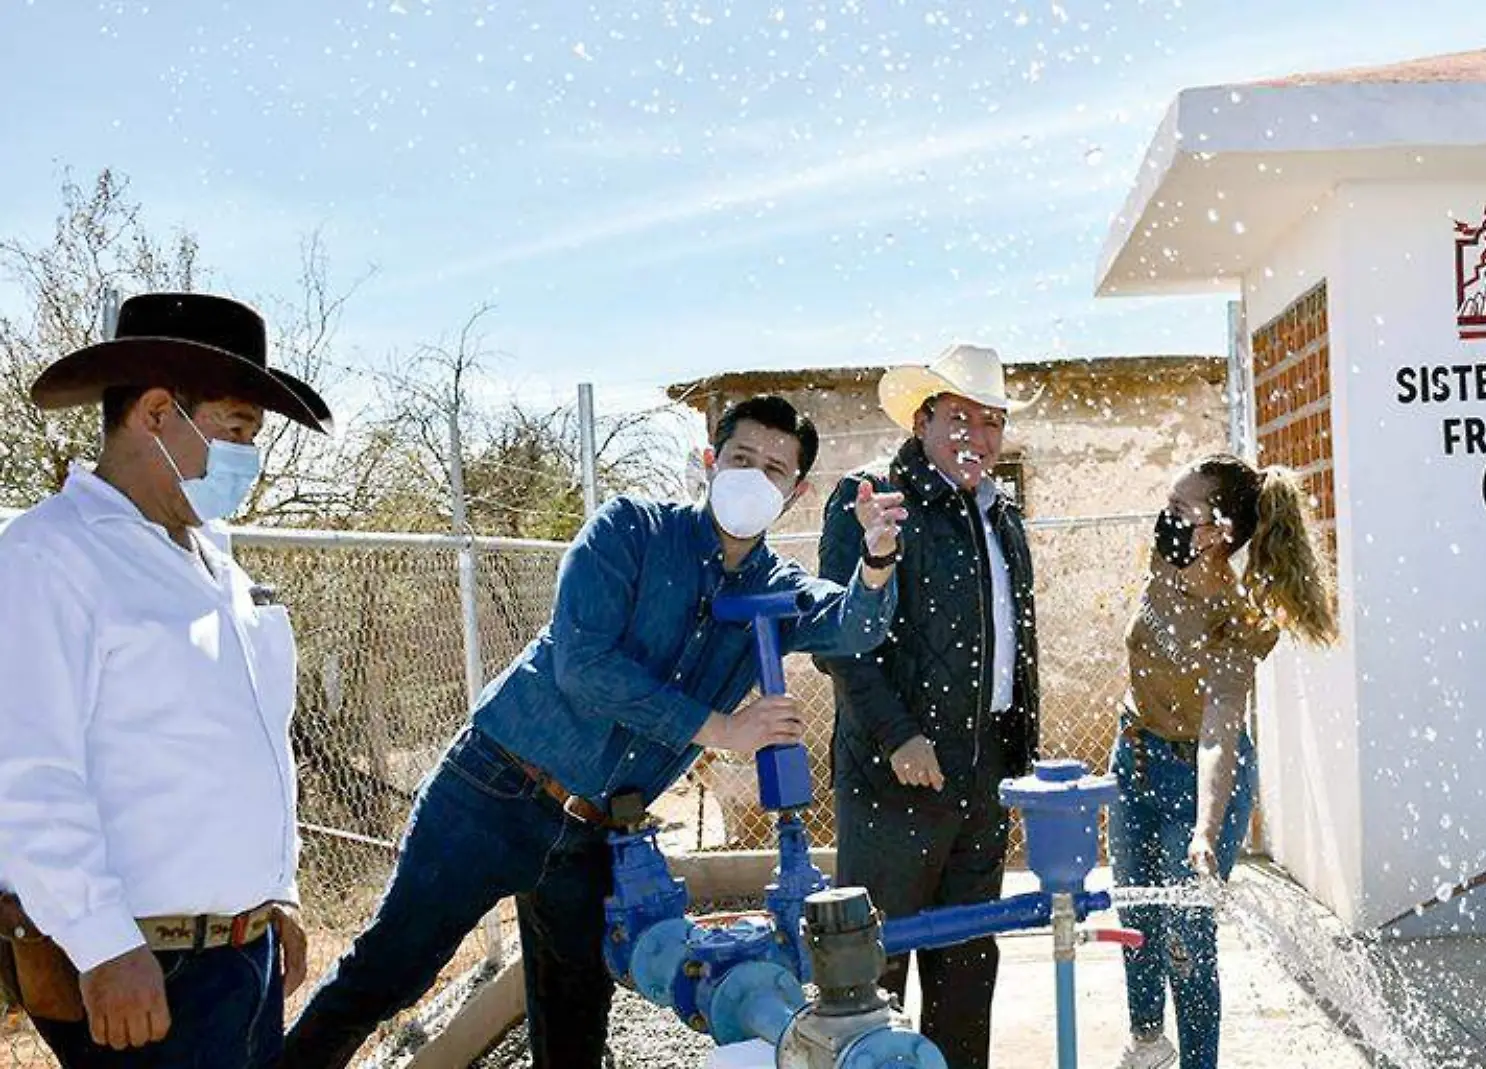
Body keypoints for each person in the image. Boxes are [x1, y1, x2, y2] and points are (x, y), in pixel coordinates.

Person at [281, 395, 907, 1069]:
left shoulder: (773, 587)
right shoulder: (629, 531)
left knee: (575, 1014)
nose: (754, 477)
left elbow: (856, 625)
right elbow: (583, 665)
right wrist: (722, 726)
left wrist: (876, 561)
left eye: (775, 470)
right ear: (708, 462)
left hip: (596, 832)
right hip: (495, 789)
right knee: (389, 973)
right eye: (741, 458)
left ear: (797, 492)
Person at [0, 292, 331, 1068]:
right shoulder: (53, 558)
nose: (251, 456)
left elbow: (254, 743)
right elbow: (27, 775)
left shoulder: (211, 562)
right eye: (238, 429)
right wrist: (104, 945)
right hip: (145, 973)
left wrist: (274, 893)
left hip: (238, 958)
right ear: (156, 411)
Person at [817, 343, 1040, 1069]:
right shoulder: (874, 499)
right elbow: (840, 641)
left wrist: (1018, 752)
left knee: (968, 964)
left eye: (992, 420)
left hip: (983, 775)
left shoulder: (998, 513)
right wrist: (899, 736)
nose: (977, 434)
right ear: (922, 421)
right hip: (894, 778)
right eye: (959, 416)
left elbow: (1013, 639)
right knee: (873, 972)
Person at [1112, 455, 1339, 1069]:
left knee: (1187, 938)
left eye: (1181, 512)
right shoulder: (1166, 559)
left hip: (1201, 780)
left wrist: (1205, 830)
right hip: (1132, 757)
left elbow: (1219, 732)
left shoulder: (1242, 619)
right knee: (1136, 916)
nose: (1166, 519)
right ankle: (1148, 1044)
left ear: (1217, 530)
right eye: (1169, 503)